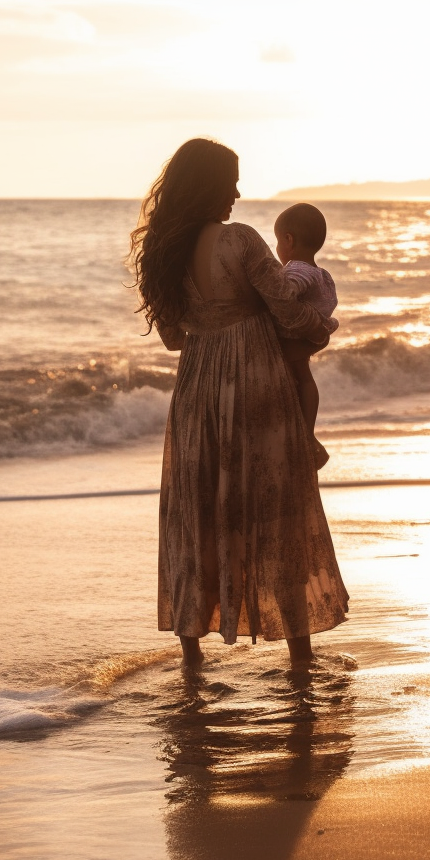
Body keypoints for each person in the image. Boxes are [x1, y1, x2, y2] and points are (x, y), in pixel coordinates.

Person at [128, 138, 349, 670]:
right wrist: (318, 327)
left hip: (197, 388)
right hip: (255, 383)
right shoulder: (243, 241)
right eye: (230, 181)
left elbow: (175, 341)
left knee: (198, 508)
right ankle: (298, 650)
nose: (237, 191)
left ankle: (191, 653)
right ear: (209, 185)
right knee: (277, 507)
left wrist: (215, 322)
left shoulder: (165, 253)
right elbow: (291, 316)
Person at [274, 203, 338, 469]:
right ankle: (308, 434)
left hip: (296, 336)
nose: (276, 248)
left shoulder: (297, 269)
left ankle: (307, 436)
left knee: (299, 377)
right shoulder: (322, 274)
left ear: (288, 240)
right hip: (310, 333)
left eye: (277, 241)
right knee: (305, 379)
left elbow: (284, 294)